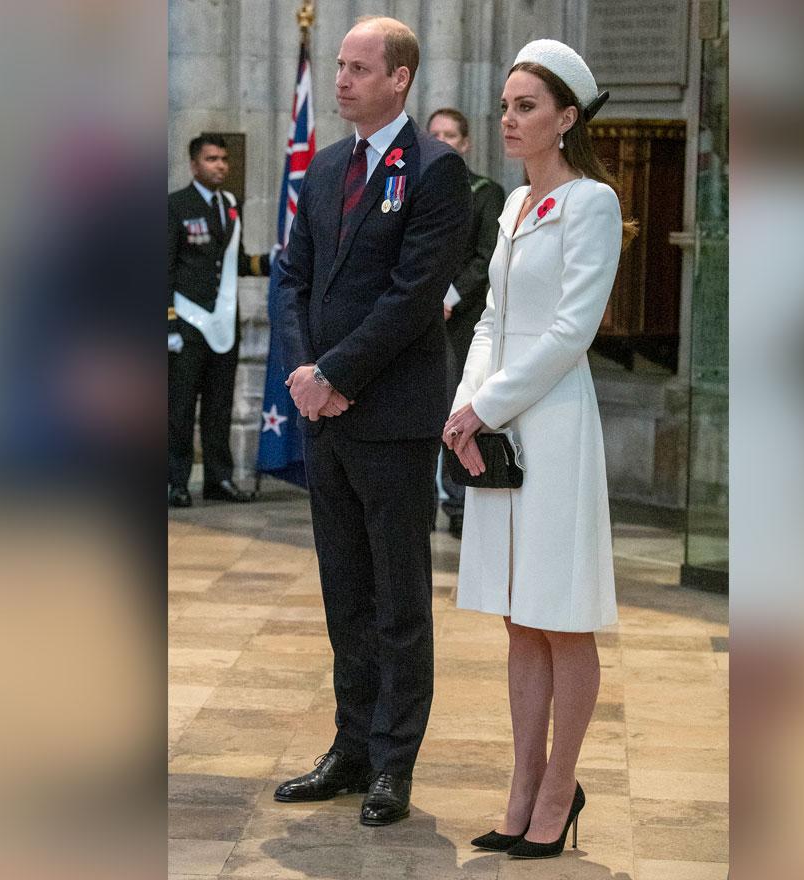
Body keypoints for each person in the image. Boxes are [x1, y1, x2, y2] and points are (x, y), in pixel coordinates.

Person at [271, 17, 471, 826]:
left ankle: (394, 761)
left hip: (390, 417)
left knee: (397, 599)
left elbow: (415, 295)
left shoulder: (435, 169)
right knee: (344, 594)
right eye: (340, 67)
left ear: (401, 79)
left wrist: (339, 374)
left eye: (360, 68)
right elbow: (292, 277)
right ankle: (350, 746)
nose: (345, 80)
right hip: (327, 417)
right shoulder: (323, 169)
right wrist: (306, 377)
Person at [441, 39, 635, 860]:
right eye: (506, 105)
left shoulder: (590, 201)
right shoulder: (516, 207)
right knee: (521, 619)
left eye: (527, 106)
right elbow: (488, 318)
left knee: (563, 619)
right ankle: (520, 788)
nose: (509, 119)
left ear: (566, 119)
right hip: (499, 420)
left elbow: (569, 331)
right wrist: (464, 409)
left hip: (552, 423)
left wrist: (489, 403)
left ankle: (561, 788)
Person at [167, 133, 270, 507]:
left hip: (224, 322)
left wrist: (269, 262)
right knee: (178, 408)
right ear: (194, 164)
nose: (220, 166)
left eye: (223, 159)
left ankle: (219, 478)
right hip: (187, 322)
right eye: (212, 159)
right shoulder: (175, 206)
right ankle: (174, 481)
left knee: (219, 406)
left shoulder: (230, 205)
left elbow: (235, 261)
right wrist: (169, 325)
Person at [426, 107, 507, 538]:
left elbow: (486, 255)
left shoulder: (485, 192)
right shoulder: (416, 188)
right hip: (419, 318)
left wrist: (448, 296)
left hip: (465, 319)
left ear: (466, 143)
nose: (442, 140)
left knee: (460, 402)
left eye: (451, 134)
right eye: (434, 133)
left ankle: (457, 501)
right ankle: (425, 498)